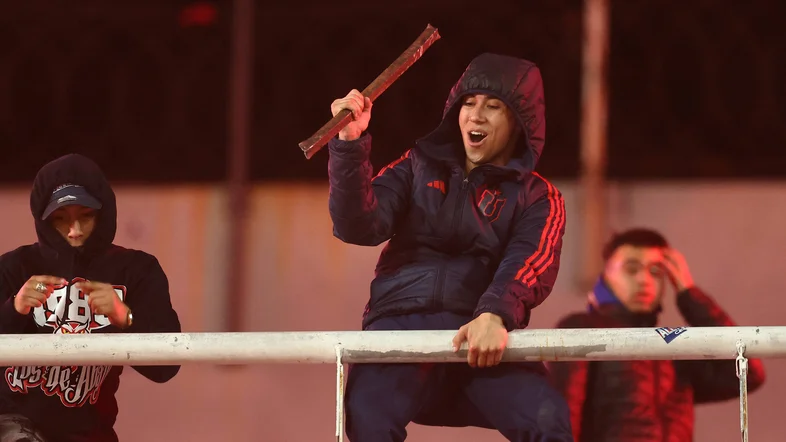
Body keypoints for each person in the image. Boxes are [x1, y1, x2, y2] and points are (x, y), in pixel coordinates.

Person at [326, 53, 571, 441]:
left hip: (479, 331)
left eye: (493, 106)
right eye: (468, 103)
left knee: (547, 417)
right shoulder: (416, 165)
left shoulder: (538, 196)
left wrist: (494, 315)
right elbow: (356, 225)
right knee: (366, 417)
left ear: (520, 122)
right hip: (400, 325)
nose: (476, 116)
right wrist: (349, 142)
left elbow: (528, 261)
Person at [0, 154, 182, 441]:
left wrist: (125, 317)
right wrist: (13, 309)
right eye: (60, 219)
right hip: (14, 427)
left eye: (85, 216)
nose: (75, 231)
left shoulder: (135, 270)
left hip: (91, 434)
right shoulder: (14, 268)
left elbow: (166, 368)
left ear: (104, 212)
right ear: (43, 219)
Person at [549, 228, 766, 442]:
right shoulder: (582, 328)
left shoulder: (676, 351)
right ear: (605, 275)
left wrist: (688, 292)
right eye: (631, 269)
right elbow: (564, 417)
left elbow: (749, 373)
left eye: (656, 272)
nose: (644, 280)